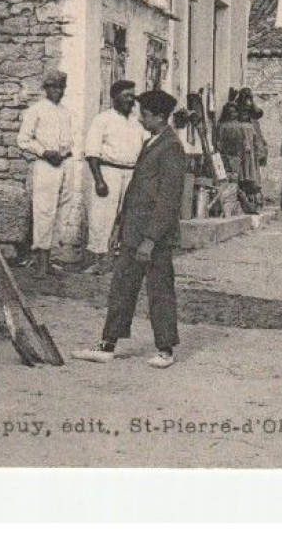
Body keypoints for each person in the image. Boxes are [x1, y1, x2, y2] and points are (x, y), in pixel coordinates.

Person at [73, 88, 189, 369]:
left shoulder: (171, 147)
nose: (140, 120)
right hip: (133, 231)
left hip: (153, 235)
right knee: (122, 286)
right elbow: (138, 191)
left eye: (145, 115)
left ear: (160, 117)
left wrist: (150, 239)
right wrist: (121, 228)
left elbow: (168, 199)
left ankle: (165, 349)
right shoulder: (152, 143)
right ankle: (107, 344)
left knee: (159, 289)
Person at [16, 69, 78, 277]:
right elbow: (23, 140)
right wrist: (44, 151)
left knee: (62, 210)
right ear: (46, 89)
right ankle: (40, 260)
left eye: (61, 88)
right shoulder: (36, 110)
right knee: (44, 210)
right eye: (53, 87)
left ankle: (50, 258)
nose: (57, 92)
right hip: (46, 165)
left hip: (66, 163)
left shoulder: (67, 112)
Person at [81, 80, 146, 276]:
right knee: (102, 216)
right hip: (108, 171)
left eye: (132, 96)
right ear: (114, 97)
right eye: (126, 95)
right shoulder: (102, 119)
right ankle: (98, 262)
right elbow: (91, 152)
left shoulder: (137, 122)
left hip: (131, 172)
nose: (131, 100)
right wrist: (99, 180)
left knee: (127, 217)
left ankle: (121, 261)